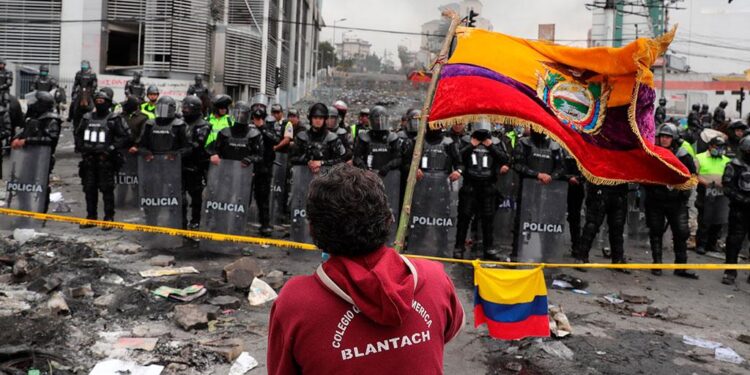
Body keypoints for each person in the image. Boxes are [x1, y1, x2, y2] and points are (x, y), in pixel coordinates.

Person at [267, 164, 464, 375]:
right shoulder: (434, 278)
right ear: (389, 219)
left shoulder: (295, 303)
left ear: (312, 230)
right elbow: (447, 332)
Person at [643, 124, 699, 279]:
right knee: (655, 231)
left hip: (677, 201)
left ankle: (680, 267)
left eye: (668, 137)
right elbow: (643, 174)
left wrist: (684, 191)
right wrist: (653, 188)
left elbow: (692, 176)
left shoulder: (683, 154)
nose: (664, 139)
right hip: (656, 200)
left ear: (673, 138)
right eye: (662, 136)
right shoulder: (653, 153)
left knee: (682, 233)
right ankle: (657, 264)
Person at [74, 90, 131, 226]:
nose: (99, 103)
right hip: (89, 160)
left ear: (108, 103)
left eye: (102, 101)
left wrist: (110, 149)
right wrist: (83, 149)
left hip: (106, 160)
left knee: (107, 189)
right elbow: (78, 134)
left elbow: (125, 136)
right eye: (97, 100)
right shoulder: (87, 117)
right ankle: (91, 217)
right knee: (89, 189)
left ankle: (108, 218)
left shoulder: (114, 118)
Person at [455, 119, 510, 260]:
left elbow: (505, 159)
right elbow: (457, 157)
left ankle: (489, 248)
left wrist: (491, 146)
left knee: (488, 218)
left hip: (488, 185)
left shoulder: (496, 142)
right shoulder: (466, 140)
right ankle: (459, 247)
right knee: (464, 217)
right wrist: (471, 146)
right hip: (470, 184)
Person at [512, 129, 564, 258]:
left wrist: (551, 177)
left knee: (547, 222)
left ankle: (546, 253)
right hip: (527, 190)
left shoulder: (555, 146)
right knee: (522, 221)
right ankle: (516, 252)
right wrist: (537, 175)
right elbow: (517, 165)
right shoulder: (523, 143)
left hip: (548, 191)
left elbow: (561, 167)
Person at [10, 90, 61, 213]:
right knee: (22, 185)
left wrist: (26, 142)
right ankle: (25, 212)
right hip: (28, 157)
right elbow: (25, 132)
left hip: (42, 159)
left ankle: (40, 215)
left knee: (40, 187)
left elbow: (49, 140)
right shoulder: (34, 118)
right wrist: (17, 138)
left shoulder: (51, 120)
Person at [694, 136, 731, 255]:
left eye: (722, 147)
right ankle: (701, 245)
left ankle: (711, 244)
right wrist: (706, 184)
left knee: (718, 221)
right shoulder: (700, 158)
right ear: (710, 147)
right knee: (705, 220)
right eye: (717, 147)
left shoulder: (726, 160)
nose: (719, 149)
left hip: (720, 194)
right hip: (704, 192)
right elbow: (694, 175)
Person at [721, 135, 750, 285]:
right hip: (739, 210)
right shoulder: (734, 165)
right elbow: (727, 187)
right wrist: (743, 200)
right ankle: (730, 271)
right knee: (734, 241)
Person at [250, 97, 280, 237]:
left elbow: (275, 140)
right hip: (247, 165)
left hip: (263, 166)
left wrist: (261, 127)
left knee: (262, 196)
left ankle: (265, 224)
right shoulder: (246, 122)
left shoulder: (270, 123)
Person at [206, 100, 263, 171]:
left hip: (244, 172)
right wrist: (214, 155)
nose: (241, 116)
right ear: (233, 113)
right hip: (225, 170)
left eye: (244, 114)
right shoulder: (224, 132)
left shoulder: (254, 134)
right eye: (238, 113)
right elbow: (214, 149)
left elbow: (259, 156)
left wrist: (250, 159)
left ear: (248, 115)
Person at [290, 103, 346, 173]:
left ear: (324, 120)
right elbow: (292, 158)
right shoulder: (301, 137)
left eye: (320, 118)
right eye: (315, 118)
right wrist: (307, 161)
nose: (318, 120)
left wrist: (322, 163)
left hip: (327, 178)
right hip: (304, 177)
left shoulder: (332, 138)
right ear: (310, 119)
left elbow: (341, 160)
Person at [181, 96, 211, 229]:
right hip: (180, 164)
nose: (184, 110)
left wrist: (181, 150)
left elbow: (198, 144)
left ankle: (195, 220)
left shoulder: (203, 125)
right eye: (184, 107)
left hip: (196, 165)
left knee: (196, 196)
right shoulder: (180, 123)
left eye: (187, 108)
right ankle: (181, 220)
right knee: (180, 195)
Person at [353, 105, 402, 177]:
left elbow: (398, 158)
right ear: (372, 121)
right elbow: (357, 157)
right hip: (368, 175)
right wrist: (364, 168)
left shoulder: (392, 137)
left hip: (387, 175)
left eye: (382, 119)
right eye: (377, 119)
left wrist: (387, 167)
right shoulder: (364, 137)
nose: (379, 122)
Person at [563, 150, 584, 255]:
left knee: (575, 217)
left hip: (576, 185)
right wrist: (567, 177)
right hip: (559, 184)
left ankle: (576, 246)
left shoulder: (581, 144)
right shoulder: (557, 143)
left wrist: (580, 178)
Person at [69, 60, 97, 125]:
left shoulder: (92, 74)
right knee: (73, 101)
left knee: (97, 99)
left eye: (85, 65)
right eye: (83, 65)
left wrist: (92, 90)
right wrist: (74, 90)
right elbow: (76, 83)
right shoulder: (78, 73)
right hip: (80, 90)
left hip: (90, 90)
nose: (84, 66)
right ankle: (70, 116)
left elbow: (94, 83)